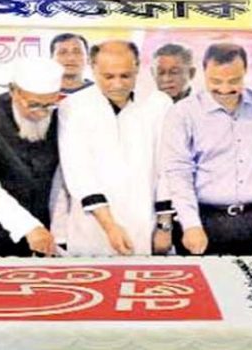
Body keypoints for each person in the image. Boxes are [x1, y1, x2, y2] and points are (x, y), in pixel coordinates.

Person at [159, 43, 252, 256]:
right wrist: (190, 224)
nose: (224, 89)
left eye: (234, 81)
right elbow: (178, 173)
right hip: (203, 221)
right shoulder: (183, 114)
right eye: (215, 81)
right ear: (203, 73)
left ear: (246, 72)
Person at [59, 40, 172, 256]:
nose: (117, 84)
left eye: (125, 76)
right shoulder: (73, 107)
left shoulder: (159, 104)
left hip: (143, 224)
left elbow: (166, 167)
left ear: (138, 66)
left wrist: (164, 226)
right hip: (92, 226)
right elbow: (78, 170)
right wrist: (110, 226)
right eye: (108, 77)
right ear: (93, 69)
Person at [0, 57, 65, 257]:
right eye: (34, 105)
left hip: (46, 231)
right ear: (13, 91)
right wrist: (27, 226)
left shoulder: (60, 114)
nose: (42, 113)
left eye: (49, 105)